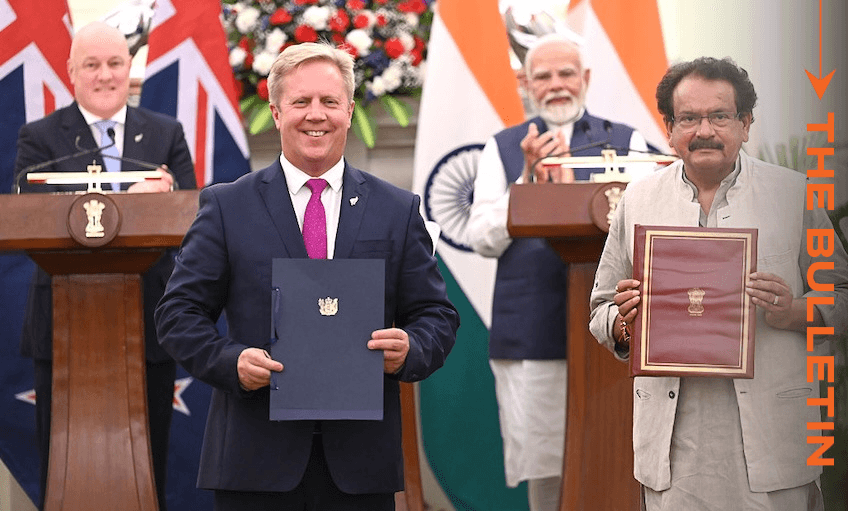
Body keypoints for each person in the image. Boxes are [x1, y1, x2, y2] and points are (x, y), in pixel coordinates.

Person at [153, 42, 459, 510]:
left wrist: (410, 349)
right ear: (276, 113)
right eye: (300, 102)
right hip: (254, 462)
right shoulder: (226, 206)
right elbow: (178, 314)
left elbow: (435, 314)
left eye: (329, 102)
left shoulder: (397, 210)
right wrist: (230, 360)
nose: (315, 115)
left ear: (349, 111)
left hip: (360, 468)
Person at [589, 57, 848, 510]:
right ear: (669, 128)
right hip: (673, 445)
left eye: (720, 116)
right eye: (688, 118)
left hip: (773, 441)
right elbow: (602, 307)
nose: (704, 130)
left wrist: (793, 312)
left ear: (746, 124)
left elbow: (841, 295)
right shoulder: (638, 198)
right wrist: (625, 324)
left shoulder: (796, 194)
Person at [465, 33, 654, 511]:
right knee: (547, 467)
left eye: (566, 73)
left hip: (619, 332)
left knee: (622, 459)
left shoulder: (627, 141)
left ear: (585, 78)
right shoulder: (503, 147)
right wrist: (529, 182)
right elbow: (482, 236)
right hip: (533, 333)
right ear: (525, 83)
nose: (556, 85)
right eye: (542, 76)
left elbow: (660, 221)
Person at [13, 21, 196, 511]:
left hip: (150, 323)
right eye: (91, 65)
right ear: (71, 72)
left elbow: (190, 221)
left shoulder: (166, 134)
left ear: (129, 67)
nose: (104, 75)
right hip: (63, 325)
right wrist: (128, 199)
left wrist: (155, 201)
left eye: (115, 63)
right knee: (61, 458)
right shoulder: (40, 138)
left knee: (148, 461)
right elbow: (29, 210)